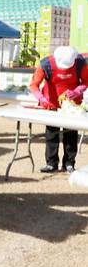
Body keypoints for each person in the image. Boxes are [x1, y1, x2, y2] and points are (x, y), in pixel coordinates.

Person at [29, 46, 88, 174]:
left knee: (71, 134)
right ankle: (51, 163)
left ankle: (69, 164)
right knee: (51, 133)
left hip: (71, 104)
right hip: (51, 102)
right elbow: (34, 84)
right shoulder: (45, 64)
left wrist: (77, 91)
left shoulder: (80, 64)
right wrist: (40, 97)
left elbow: (86, 81)